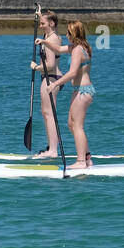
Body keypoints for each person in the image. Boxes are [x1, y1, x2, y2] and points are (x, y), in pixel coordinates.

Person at [48, 20, 95, 169]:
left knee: (77, 126)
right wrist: (43, 41)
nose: (66, 35)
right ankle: (87, 158)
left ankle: (81, 161)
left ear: (74, 33)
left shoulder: (77, 50)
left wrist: (55, 83)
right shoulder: (80, 47)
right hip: (80, 91)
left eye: (68, 32)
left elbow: (72, 73)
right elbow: (58, 49)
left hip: (83, 91)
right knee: (71, 124)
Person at [30, 9, 66, 158]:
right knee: (46, 113)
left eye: (42, 23)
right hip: (48, 77)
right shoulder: (48, 35)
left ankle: (53, 151)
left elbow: (50, 64)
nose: (40, 25)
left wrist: (36, 67)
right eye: (39, 22)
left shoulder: (52, 39)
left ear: (51, 23)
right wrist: (39, 14)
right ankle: (51, 147)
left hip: (51, 77)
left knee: (49, 114)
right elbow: (47, 19)